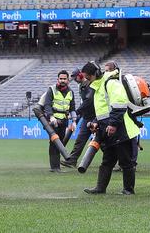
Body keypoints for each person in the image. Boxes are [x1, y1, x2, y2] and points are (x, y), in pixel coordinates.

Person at [81, 61, 140, 195]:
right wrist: (96, 122)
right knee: (107, 161)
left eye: (88, 76)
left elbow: (120, 105)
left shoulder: (111, 83)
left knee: (125, 161)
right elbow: (103, 110)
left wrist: (113, 124)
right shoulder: (98, 85)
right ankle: (100, 188)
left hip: (120, 128)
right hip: (107, 129)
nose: (86, 79)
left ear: (95, 74)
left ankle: (128, 190)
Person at [61, 68, 95, 168]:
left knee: (102, 142)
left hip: (95, 117)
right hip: (86, 116)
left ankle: (116, 161)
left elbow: (88, 101)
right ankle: (72, 160)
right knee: (80, 139)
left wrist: (77, 112)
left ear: (80, 75)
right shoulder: (81, 86)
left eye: (75, 77)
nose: (74, 79)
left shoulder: (89, 85)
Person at [43, 70, 76, 173]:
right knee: (54, 142)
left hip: (64, 121)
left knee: (60, 142)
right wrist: (51, 117)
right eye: (60, 79)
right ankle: (54, 167)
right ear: (57, 79)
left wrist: (74, 121)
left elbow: (72, 107)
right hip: (53, 121)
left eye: (64, 79)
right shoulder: (51, 90)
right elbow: (47, 105)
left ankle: (56, 166)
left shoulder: (71, 92)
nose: (62, 80)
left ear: (68, 80)